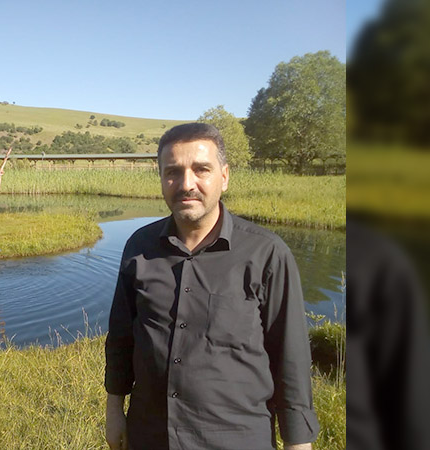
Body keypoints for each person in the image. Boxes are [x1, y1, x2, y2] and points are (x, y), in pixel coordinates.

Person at [105, 123, 318, 450]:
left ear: (225, 176)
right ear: (161, 178)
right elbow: (121, 336)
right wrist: (114, 410)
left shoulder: (266, 253)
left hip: (236, 438)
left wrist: (298, 443)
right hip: (150, 435)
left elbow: (291, 357)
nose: (186, 184)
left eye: (201, 169)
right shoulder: (139, 246)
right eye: (172, 172)